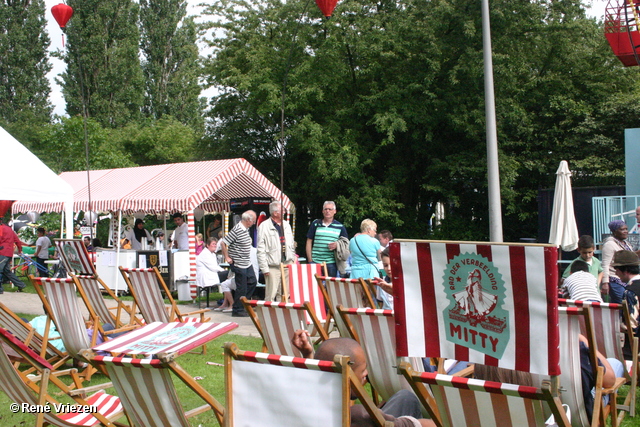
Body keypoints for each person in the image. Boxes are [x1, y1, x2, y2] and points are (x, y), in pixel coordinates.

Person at [291, 333, 435, 427]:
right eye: (362, 370)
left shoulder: (302, 404)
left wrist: (308, 354)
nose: (366, 373)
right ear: (348, 377)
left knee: (405, 398)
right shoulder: (360, 416)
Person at [220, 210, 257, 317]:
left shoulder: (246, 229)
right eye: (253, 221)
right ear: (248, 220)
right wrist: (227, 257)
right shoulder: (237, 229)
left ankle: (243, 302)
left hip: (246, 262)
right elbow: (223, 242)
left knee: (253, 282)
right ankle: (237, 309)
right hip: (238, 263)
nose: (254, 223)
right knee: (242, 287)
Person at [257, 201, 295, 301]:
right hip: (272, 266)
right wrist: (264, 268)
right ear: (275, 213)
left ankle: (284, 314)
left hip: (287, 263)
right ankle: (267, 314)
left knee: (286, 294)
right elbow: (260, 249)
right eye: (282, 210)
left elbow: (291, 244)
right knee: (271, 294)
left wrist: (293, 259)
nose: (284, 212)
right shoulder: (264, 226)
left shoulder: (287, 225)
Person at [306, 201, 348, 278]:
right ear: (322, 211)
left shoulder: (340, 226)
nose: (327, 211)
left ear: (334, 211)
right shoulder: (315, 223)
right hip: (315, 261)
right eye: (325, 209)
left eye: (330, 209)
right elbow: (309, 241)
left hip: (331, 262)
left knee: (330, 287)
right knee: (314, 286)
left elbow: (346, 244)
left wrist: (337, 244)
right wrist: (310, 260)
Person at [601, 220, 634, 302]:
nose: (626, 231)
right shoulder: (609, 244)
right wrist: (605, 283)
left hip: (625, 279)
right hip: (615, 280)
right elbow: (605, 264)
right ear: (615, 231)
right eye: (622, 229)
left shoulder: (626, 244)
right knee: (623, 303)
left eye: (626, 229)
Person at [0, 217, 26, 293]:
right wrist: (20, 250)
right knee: (6, 271)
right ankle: (21, 284)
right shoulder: (10, 229)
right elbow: (17, 241)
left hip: (2, 252)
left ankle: (0, 289)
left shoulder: (1, 229)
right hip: (9, 253)